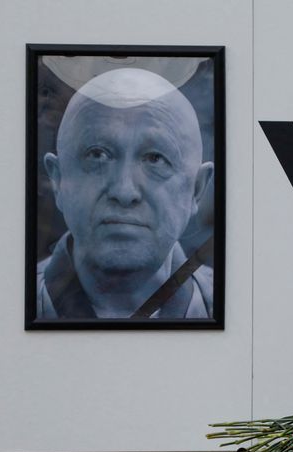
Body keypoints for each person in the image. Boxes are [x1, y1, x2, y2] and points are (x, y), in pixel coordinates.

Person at [37, 68, 214, 319]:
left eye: (155, 159)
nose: (124, 191)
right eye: (98, 155)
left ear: (196, 189)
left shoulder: (245, 310)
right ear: (58, 180)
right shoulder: (0, 306)